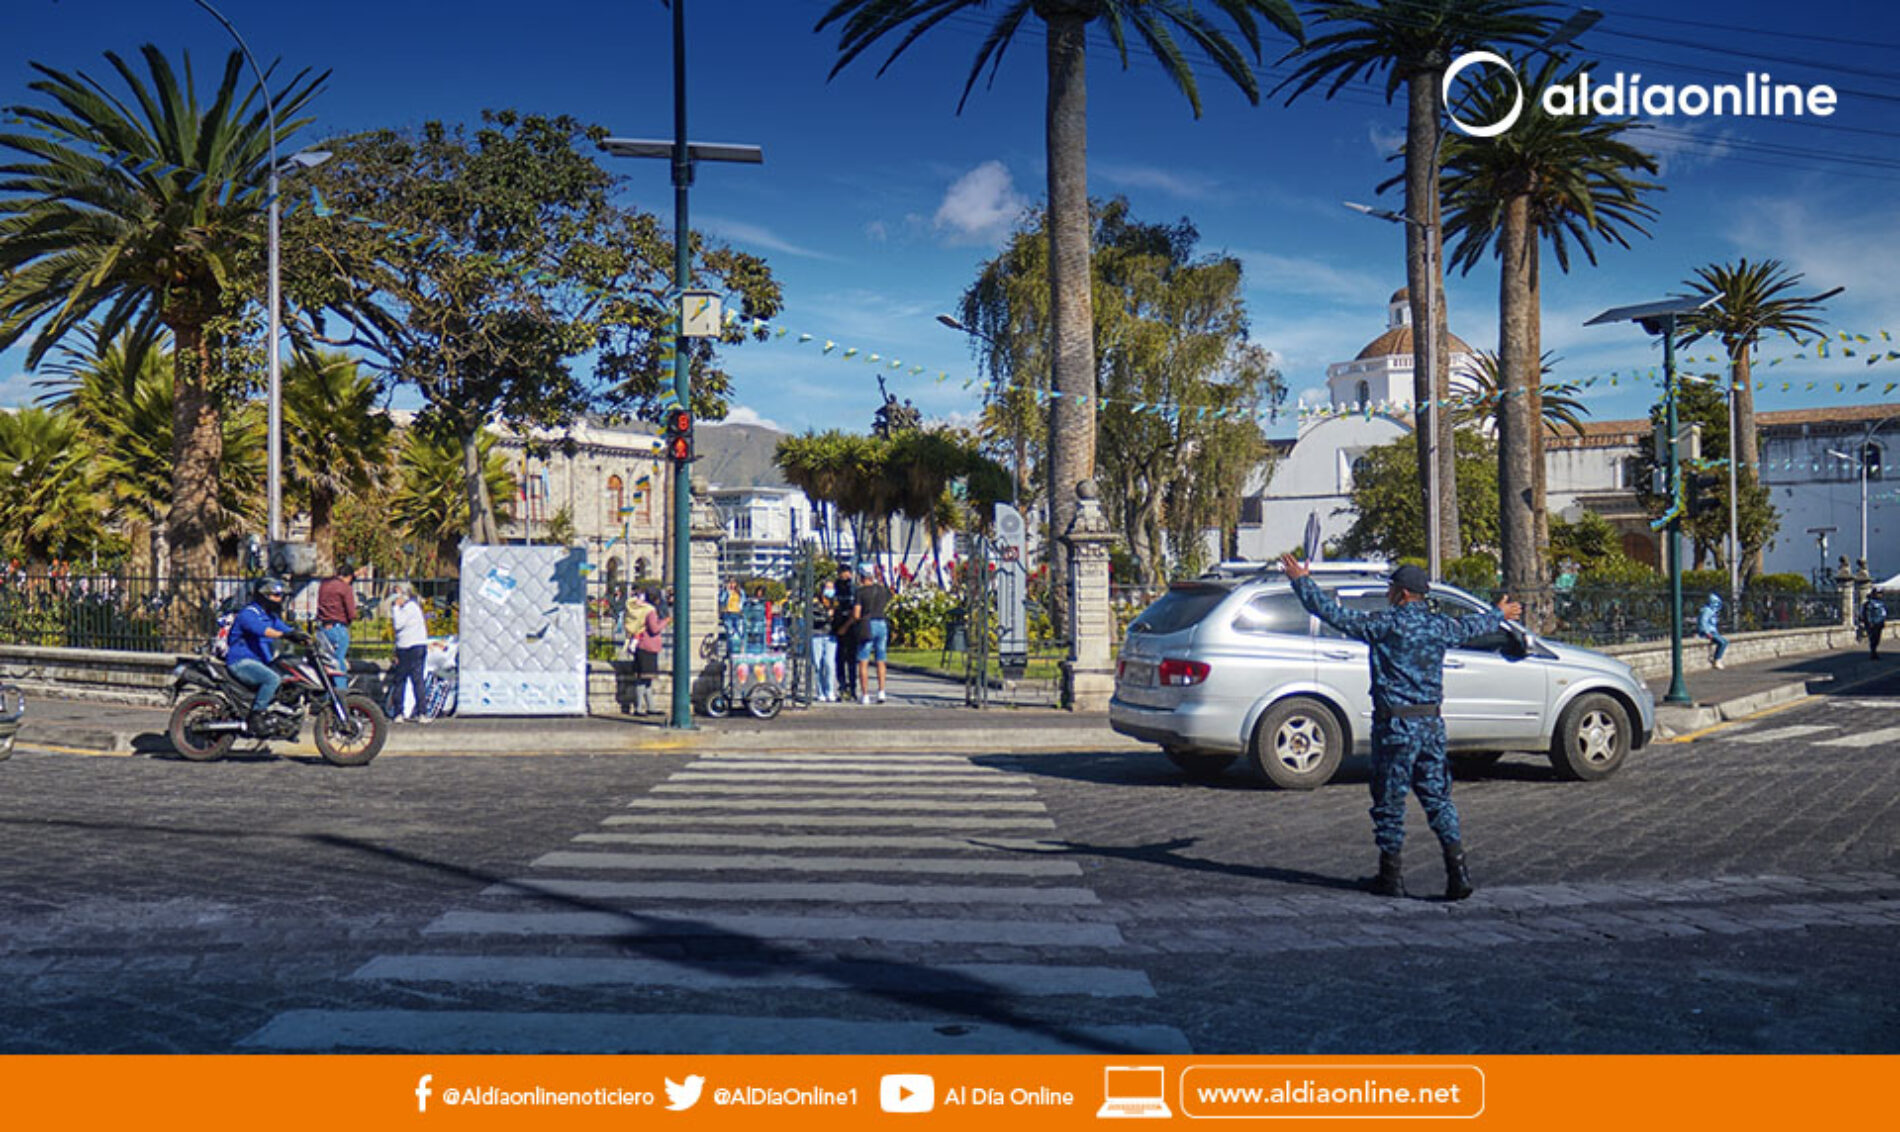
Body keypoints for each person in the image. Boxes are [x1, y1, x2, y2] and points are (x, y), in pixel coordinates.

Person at [1279, 554, 1521, 900]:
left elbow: (1333, 615)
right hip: (1430, 725)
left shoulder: (1386, 624)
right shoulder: (1440, 626)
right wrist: (1499, 614)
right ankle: (1458, 874)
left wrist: (1301, 581)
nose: (1389, 592)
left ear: (1403, 593)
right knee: (1438, 799)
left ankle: (1391, 877)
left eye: (1392, 587)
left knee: (1390, 801)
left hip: (1396, 725)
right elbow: (1473, 626)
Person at [224, 577, 308, 737]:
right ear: (264, 595)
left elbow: (285, 628)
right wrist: (285, 635)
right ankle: (256, 715)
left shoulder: (269, 615)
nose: (280, 599)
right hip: (241, 662)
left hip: (258, 662)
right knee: (272, 679)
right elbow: (262, 630)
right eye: (276, 595)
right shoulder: (248, 613)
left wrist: (305, 639)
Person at [315, 558, 360, 691]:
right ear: (349, 577)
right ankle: (341, 693)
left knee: (327, 662)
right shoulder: (344, 588)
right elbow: (351, 612)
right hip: (338, 627)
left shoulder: (324, 585)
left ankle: (327, 691)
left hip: (323, 628)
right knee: (338, 663)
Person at [388, 584, 430, 723]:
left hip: (410, 647)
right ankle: (411, 712)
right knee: (407, 680)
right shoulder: (410, 608)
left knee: (409, 679)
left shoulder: (409, 608)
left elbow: (398, 624)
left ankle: (417, 712)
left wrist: (395, 608)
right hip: (408, 646)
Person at [854, 561, 894, 704]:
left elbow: (857, 613)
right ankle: (881, 692)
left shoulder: (860, 592)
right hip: (882, 623)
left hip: (867, 624)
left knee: (863, 660)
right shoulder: (882, 590)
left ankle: (865, 694)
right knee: (881, 659)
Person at [630, 588, 669, 714]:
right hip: (647, 647)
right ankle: (639, 707)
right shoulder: (650, 611)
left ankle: (650, 706)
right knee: (643, 679)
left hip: (645, 646)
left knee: (647, 680)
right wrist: (665, 622)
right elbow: (654, 628)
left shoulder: (644, 609)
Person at [831, 565, 859, 702]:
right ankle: (842, 686)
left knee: (852, 660)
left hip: (851, 627)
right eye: (844, 573)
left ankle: (853, 688)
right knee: (840, 660)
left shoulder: (853, 589)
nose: (846, 576)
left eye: (848, 573)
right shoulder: (835, 587)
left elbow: (856, 608)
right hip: (838, 625)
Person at [810, 580, 839, 703]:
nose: (829, 590)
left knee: (829, 663)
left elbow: (837, 618)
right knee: (817, 664)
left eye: (831, 588)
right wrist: (828, 615)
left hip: (830, 635)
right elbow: (815, 618)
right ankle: (820, 691)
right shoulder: (815, 603)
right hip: (817, 635)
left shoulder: (835, 602)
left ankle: (830, 691)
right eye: (827, 587)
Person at [1697, 592, 1728, 670]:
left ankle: (1718, 659)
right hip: (1708, 633)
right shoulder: (1707, 610)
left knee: (1725, 641)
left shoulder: (1712, 611)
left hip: (1713, 632)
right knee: (1722, 642)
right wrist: (1707, 632)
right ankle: (1717, 660)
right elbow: (1703, 622)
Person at [1860, 588, 1888, 660]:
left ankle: (1874, 651)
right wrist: (1870, 622)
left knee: (1877, 638)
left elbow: (1883, 613)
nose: (1880, 595)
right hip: (1873, 623)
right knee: (1873, 638)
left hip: (1879, 622)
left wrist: (1883, 621)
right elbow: (1868, 613)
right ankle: (1873, 653)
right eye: (1878, 593)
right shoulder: (1870, 603)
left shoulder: (1881, 602)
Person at [721, 579, 745, 648]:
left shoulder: (740, 592)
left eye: (733, 583)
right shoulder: (726, 592)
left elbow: (743, 601)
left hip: (736, 613)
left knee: (738, 631)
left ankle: (740, 646)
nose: (732, 585)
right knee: (729, 631)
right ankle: (730, 649)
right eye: (730, 583)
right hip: (728, 613)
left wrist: (741, 609)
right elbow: (722, 600)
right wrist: (726, 591)